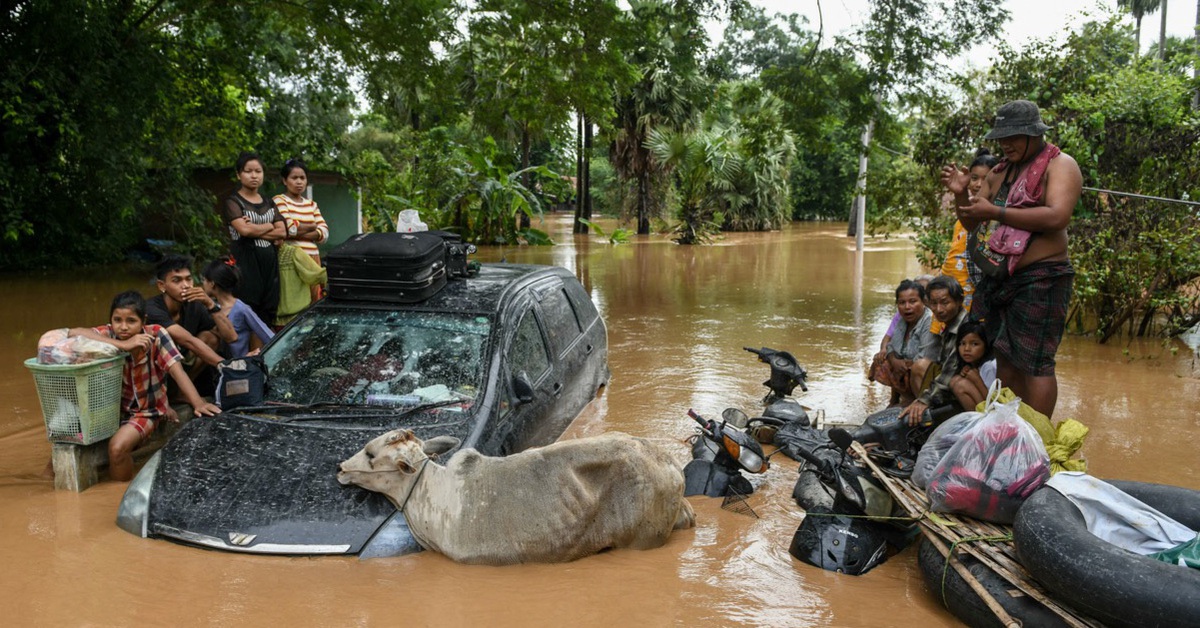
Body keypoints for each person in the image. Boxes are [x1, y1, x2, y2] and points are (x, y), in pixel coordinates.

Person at [941, 100, 1081, 419]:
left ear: (1034, 134)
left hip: (1042, 277)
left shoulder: (1060, 165)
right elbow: (972, 222)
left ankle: (1038, 437)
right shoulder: (999, 172)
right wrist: (962, 194)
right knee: (1004, 355)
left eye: (1014, 136)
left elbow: (1058, 216)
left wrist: (995, 212)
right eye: (1002, 138)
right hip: (1001, 278)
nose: (1006, 144)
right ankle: (1010, 429)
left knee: (1036, 362)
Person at [67, 291, 221, 480]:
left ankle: (119, 495)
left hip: (146, 411)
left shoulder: (156, 334)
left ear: (143, 321)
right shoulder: (110, 334)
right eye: (117, 320)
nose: (123, 327)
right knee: (65, 446)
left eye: (131, 321)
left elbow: (176, 370)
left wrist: (198, 403)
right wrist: (122, 345)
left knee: (117, 448)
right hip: (113, 411)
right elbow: (73, 333)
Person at [147, 255, 236, 395]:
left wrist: (211, 304)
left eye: (188, 279)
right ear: (161, 286)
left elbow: (231, 336)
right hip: (156, 371)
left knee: (210, 337)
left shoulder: (194, 304)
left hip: (183, 365)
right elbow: (188, 341)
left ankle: (181, 392)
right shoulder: (153, 309)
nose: (186, 285)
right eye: (177, 280)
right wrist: (228, 366)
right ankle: (176, 394)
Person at [220, 152, 286, 323]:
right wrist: (269, 225)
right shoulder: (233, 203)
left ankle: (264, 349)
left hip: (269, 269)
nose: (254, 175)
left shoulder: (269, 202)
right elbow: (244, 231)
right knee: (247, 313)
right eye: (248, 171)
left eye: (258, 171)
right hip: (246, 267)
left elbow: (282, 231)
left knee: (268, 313)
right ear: (238, 174)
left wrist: (255, 228)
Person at [901, 276, 969, 425]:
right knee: (921, 366)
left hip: (966, 389)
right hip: (953, 385)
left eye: (945, 303)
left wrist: (924, 400)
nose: (939, 309)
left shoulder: (964, 329)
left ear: (959, 301)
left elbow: (949, 373)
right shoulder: (949, 325)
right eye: (934, 303)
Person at [941, 148, 999, 313]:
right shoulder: (964, 212)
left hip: (978, 296)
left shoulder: (998, 213)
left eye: (985, 179)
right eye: (974, 178)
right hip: (952, 293)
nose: (978, 184)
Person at [871, 279, 936, 406]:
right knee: (881, 360)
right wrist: (894, 360)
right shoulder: (901, 319)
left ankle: (920, 403)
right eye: (902, 302)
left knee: (916, 366)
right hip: (905, 365)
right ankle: (896, 401)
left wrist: (903, 363)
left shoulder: (929, 320)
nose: (907, 307)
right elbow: (891, 345)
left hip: (925, 372)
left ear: (923, 302)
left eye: (913, 301)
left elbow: (924, 356)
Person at [273, 158, 329, 301]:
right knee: (296, 301)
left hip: (313, 258)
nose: (299, 182)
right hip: (293, 259)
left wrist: (297, 230)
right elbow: (287, 229)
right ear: (285, 181)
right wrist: (312, 227)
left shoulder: (312, 204)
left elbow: (324, 233)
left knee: (314, 300)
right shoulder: (280, 200)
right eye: (294, 178)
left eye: (302, 178)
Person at [201, 255, 274, 357]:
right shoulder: (210, 307)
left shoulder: (241, 309)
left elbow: (267, 335)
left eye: (204, 280)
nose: (203, 284)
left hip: (239, 366)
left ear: (212, 283)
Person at [275, 242, 328, 328]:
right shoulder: (265, 253)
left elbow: (318, 275)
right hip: (273, 321)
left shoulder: (294, 253)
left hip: (299, 319)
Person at [949, 320, 995, 410]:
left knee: (961, 385)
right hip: (987, 407)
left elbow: (995, 402)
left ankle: (980, 422)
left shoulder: (989, 366)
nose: (966, 349)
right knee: (955, 380)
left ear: (986, 345)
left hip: (995, 412)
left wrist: (976, 379)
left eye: (974, 344)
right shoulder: (974, 364)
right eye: (962, 344)